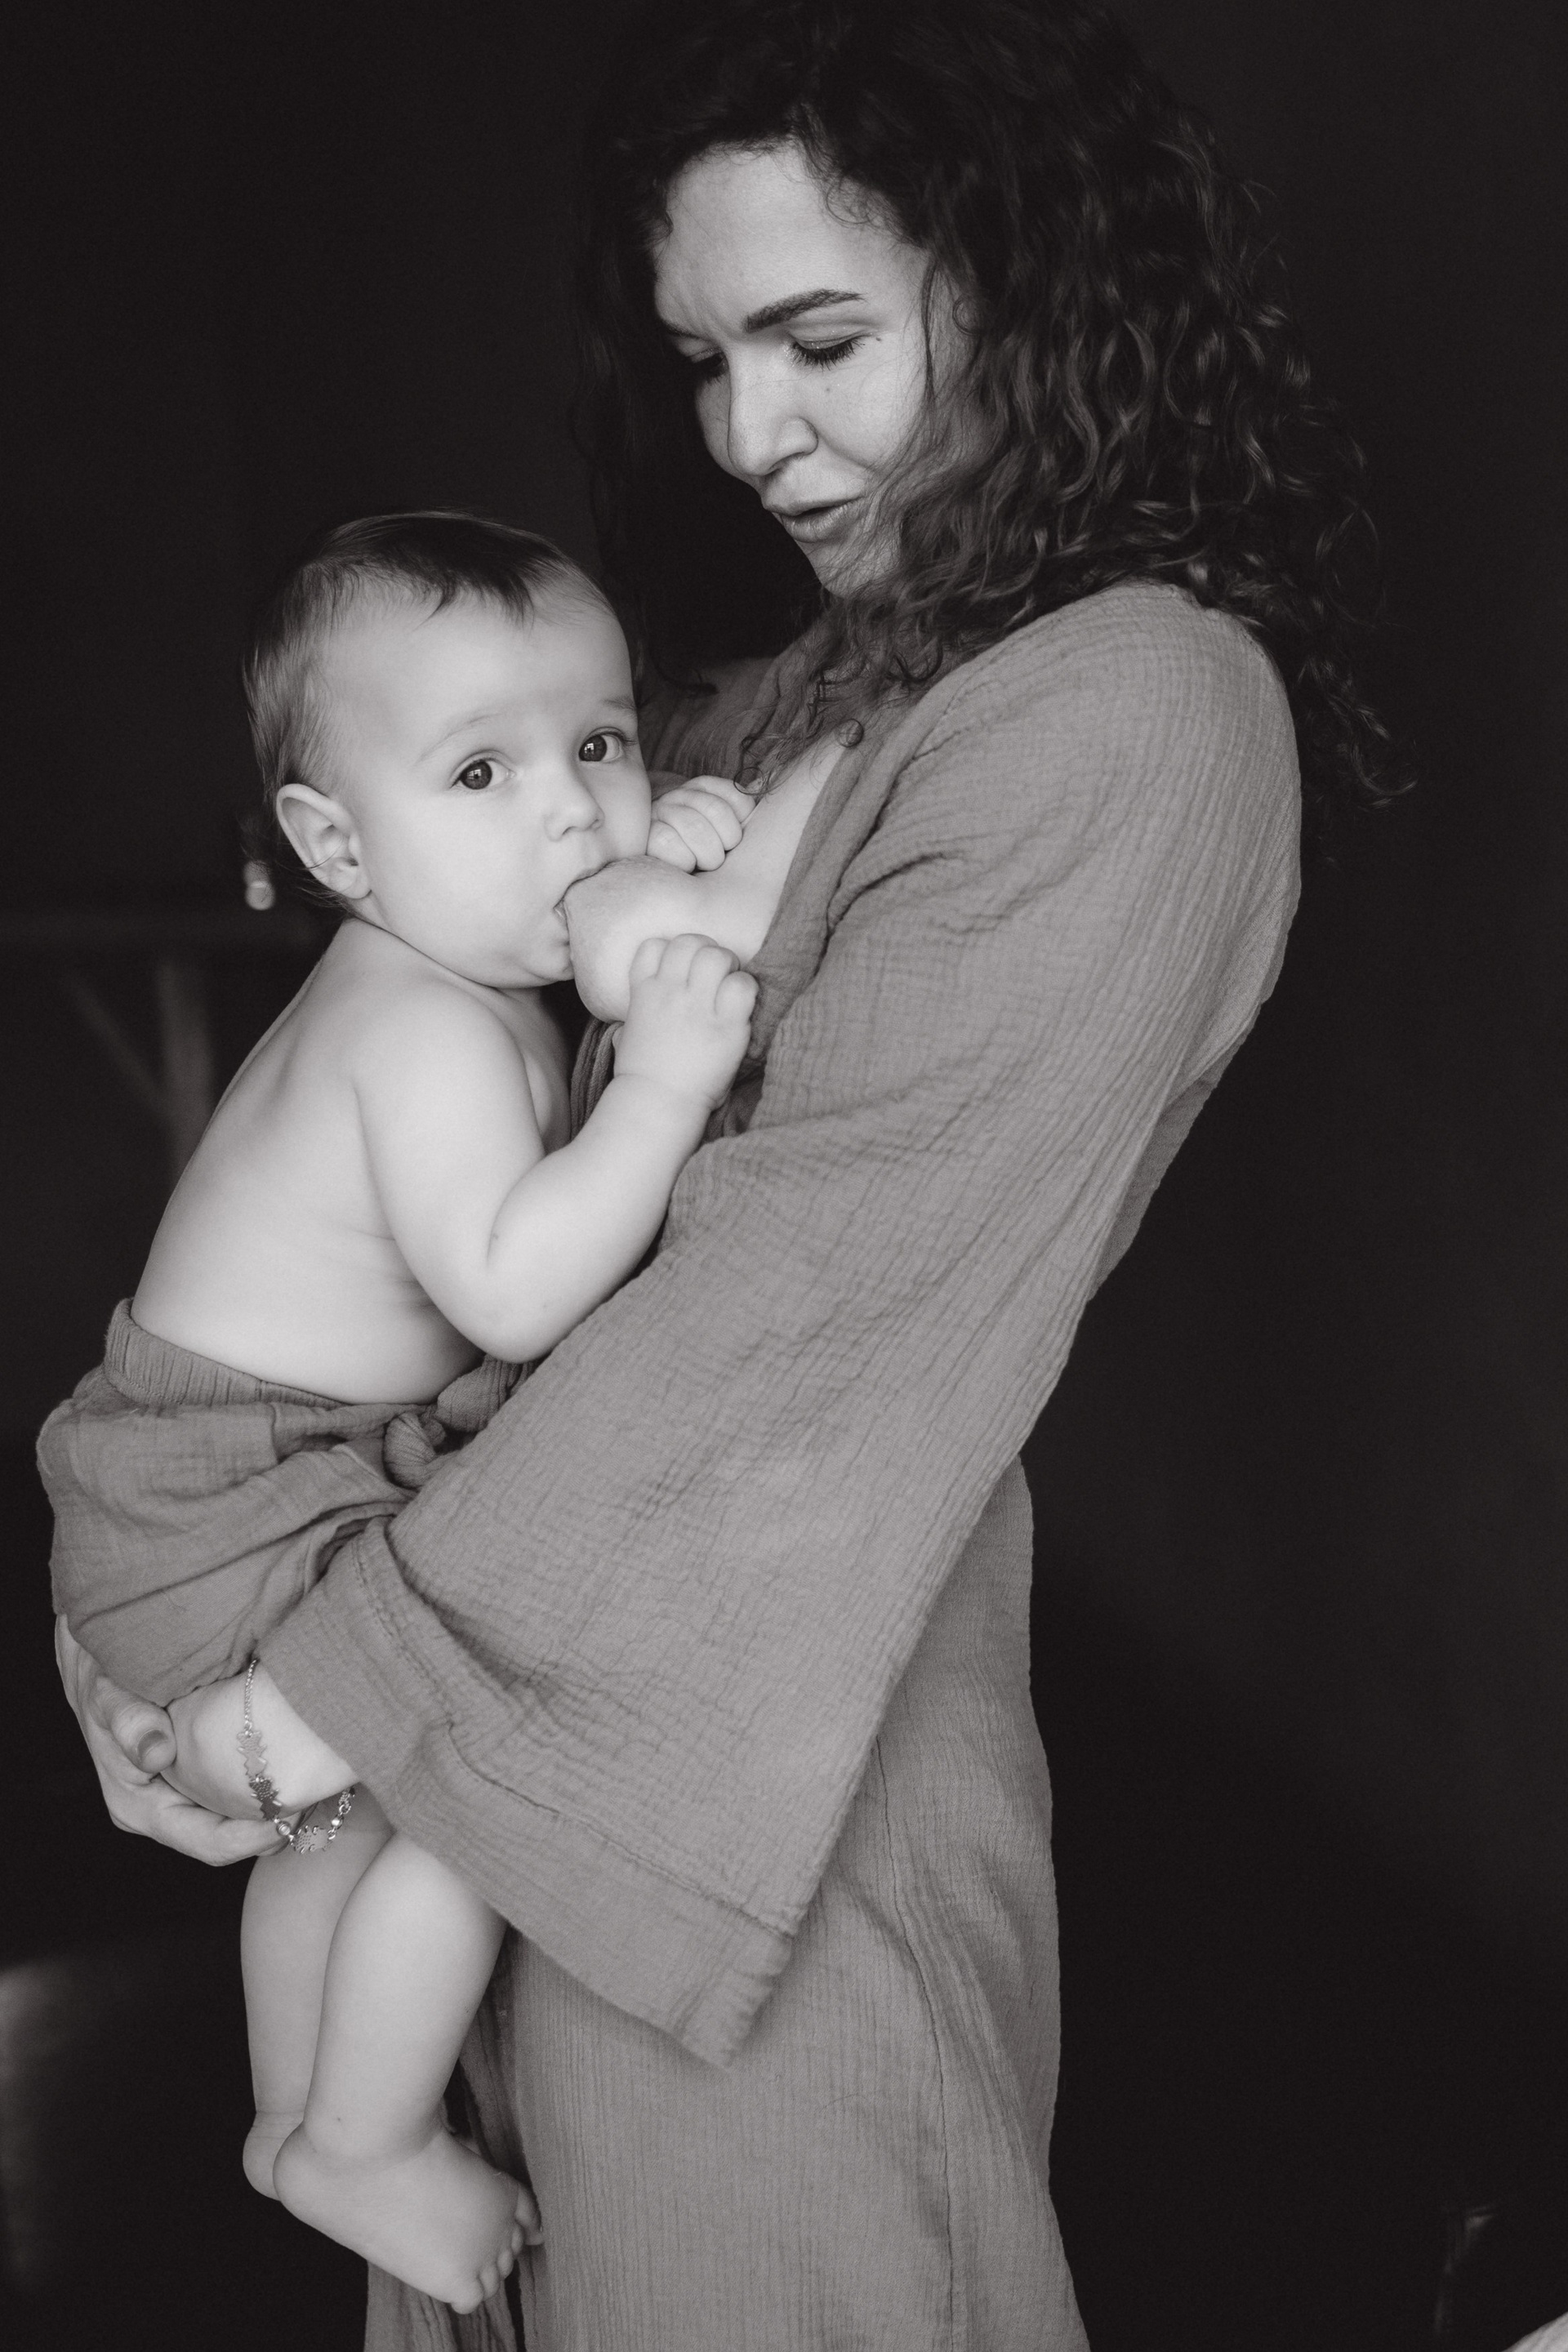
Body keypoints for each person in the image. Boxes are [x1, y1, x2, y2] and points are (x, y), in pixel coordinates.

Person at [56, 3, 1393, 2345]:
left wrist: (307, 1698)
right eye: (705, 359)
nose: (749, 432)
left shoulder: (1137, 712)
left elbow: (790, 1327)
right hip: (483, 1747)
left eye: (820, 341)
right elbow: (396, 1093)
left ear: (1035, 289)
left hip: (762, 1815)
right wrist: (160, 1617)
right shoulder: (794, 689)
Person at [40, 510, 766, 2312]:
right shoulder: (418, 1032)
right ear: (337, 845)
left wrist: (662, 859)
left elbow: (590, 907)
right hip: (240, 1495)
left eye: (602, 743)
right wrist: (666, 1090)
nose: (569, 812)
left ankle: (303, 2122)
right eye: (481, 772)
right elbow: (516, 1290)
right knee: (480, 1777)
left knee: (340, 1816)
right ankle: (355, 2134)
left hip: (204, 1480)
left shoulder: (459, 967)